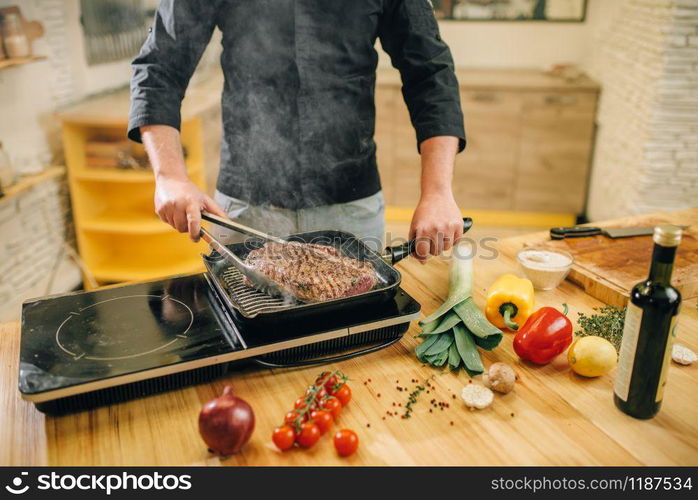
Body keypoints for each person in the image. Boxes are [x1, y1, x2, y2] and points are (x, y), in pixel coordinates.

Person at [129, 0, 466, 260]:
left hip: (351, 207)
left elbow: (430, 75)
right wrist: (170, 177)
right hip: (246, 210)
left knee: (352, 339)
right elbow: (160, 67)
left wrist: (437, 192)